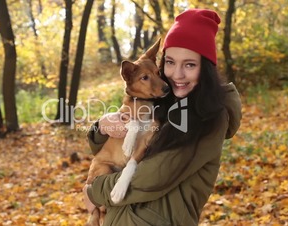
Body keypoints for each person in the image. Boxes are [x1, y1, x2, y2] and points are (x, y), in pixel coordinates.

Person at [83, 8, 242, 225]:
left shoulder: (209, 117)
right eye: (170, 62)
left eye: (189, 64)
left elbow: (153, 178)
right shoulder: (164, 100)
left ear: (205, 68)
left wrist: (94, 192)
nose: (177, 74)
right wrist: (101, 127)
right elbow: (112, 150)